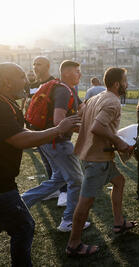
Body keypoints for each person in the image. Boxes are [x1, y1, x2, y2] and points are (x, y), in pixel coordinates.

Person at [0, 62, 80, 267]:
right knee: (24, 226)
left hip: (6, 181)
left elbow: (23, 134)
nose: (27, 80)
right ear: (7, 82)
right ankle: (68, 220)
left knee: (58, 179)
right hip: (2, 184)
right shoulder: (1, 106)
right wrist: (58, 130)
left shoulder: (8, 103)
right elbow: (19, 139)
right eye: (21, 77)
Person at [66, 67, 136, 256]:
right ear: (116, 84)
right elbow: (97, 127)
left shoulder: (96, 98)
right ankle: (74, 244)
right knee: (85, 203)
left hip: (93, 155)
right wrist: (119, 141)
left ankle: (119, 222)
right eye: (125, 81)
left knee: (119, 182)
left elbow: (81, 118)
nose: (126, 84)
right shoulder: (112, 102)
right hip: (96, 160)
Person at [22, 60, 91, 231]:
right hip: (58, 143)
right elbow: (59, 121)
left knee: (58, 179)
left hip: (48, 142)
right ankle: (69, 221)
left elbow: (82, 109)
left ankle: (20, 201)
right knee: (76, 180)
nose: (80, 74)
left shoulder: (64, 88)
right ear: (66, 73)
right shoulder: (63, 91)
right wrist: (84, 131)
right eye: (77, 71)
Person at [28, 56, 70, 206]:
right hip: (37, 132)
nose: (35, 66)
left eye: (38, 64)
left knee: (60, 165)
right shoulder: (32, 85)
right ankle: (56, 190)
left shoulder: (55, 85)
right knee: (48, 164)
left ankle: (64, 192)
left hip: (53, 133)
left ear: (47, 66)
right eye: (34, 64)